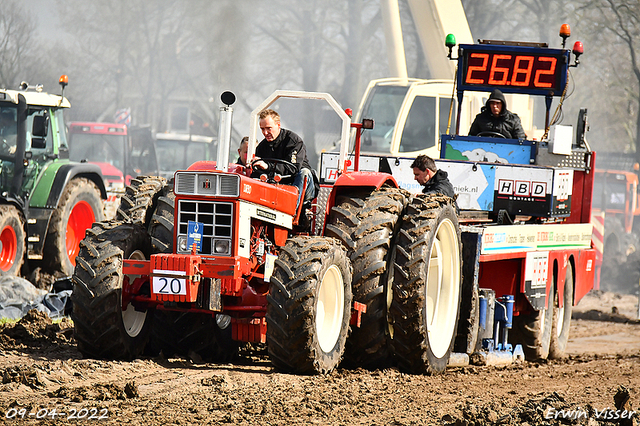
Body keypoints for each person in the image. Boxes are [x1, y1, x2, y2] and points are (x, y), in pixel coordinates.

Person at [252, 109, 317, 212]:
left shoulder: (293, 141)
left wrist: (268, 166)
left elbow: (293, 168)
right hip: (276, 184)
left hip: (297, 183)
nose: (265, 133)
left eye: (269, 128)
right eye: (262, 129)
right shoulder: (262, 147)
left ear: (278, 125)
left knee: (304, 172)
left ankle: (291, 211)